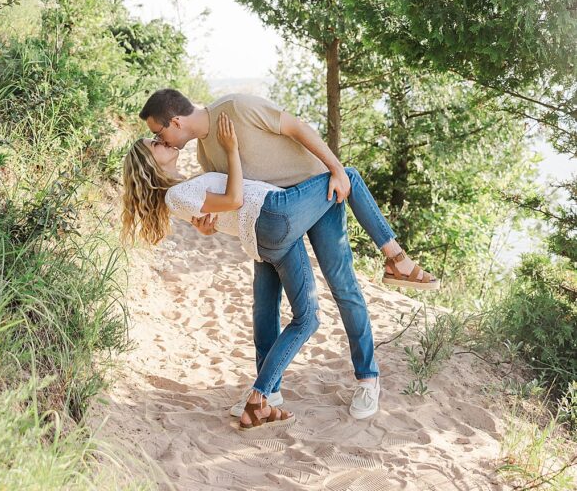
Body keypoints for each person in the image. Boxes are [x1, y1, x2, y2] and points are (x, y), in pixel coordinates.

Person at [123, 89, 438, 429]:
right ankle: (267, 392)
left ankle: (367, 379)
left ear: (176, 121)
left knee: (343, 287)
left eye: (158, 132)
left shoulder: (237, 108)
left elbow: (297, 127)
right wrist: (207, 227)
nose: (159, 138)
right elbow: (229, 201)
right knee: (265, 305)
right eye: (156, 138)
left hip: (319, 193)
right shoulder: (204, 157)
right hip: (269, 219)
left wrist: (335, 169)